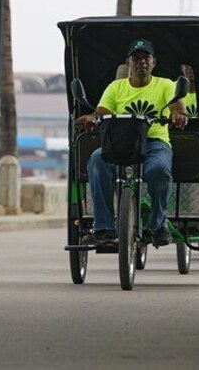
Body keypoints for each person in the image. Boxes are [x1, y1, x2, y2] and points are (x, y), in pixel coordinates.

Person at [78, 39, 188, 246]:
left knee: (159, 169)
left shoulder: (165, 84)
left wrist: (178, 115)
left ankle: (157, 224)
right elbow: (102, 112)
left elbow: (177, 107)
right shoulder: (115, 87)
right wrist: (92, 118)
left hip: (154, 143)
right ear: (128, 62)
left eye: (146, 58)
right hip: (120, 143)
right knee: (96, 160)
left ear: (154, 62)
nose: (141, 63)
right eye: (136, 58)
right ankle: (103, 226)